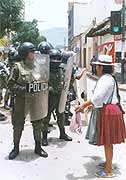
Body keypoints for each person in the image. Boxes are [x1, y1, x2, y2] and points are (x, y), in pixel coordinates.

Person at [75, 54, 126, 178]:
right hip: (110, 110)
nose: (95, 69)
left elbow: (97, 97)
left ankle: (108, 171)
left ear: (101, 67)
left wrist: (83, 106)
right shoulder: (109, 78)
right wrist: (91, 106)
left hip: (108, 112)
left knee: (108, 142)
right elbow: (102, 97)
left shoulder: (105, 79)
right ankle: (108, 163)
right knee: (108, 141)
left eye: (97, 66)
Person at [8, 42, 48, 160]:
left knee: (38, 124)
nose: (34, 53)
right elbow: (10, 84)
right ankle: (15, 148)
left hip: (36, 100)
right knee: (18, 125)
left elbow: (44, 80)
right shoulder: (17, 67)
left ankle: (38, 146)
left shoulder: (38, 66)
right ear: (25, 53)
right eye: (31, 51)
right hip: (21, 100)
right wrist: (23, 89)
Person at [39, 44, 72, 146]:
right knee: (46, 117)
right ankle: (44, 137)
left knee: (61, 115)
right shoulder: (44, 70)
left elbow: (65, 81)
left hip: (59, 96)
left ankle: (62, 133)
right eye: (54, 58)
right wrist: (48, 88)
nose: (55, 61)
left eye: (58, 59)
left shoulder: (61, 70)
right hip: (48, 97)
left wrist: (67, 91)